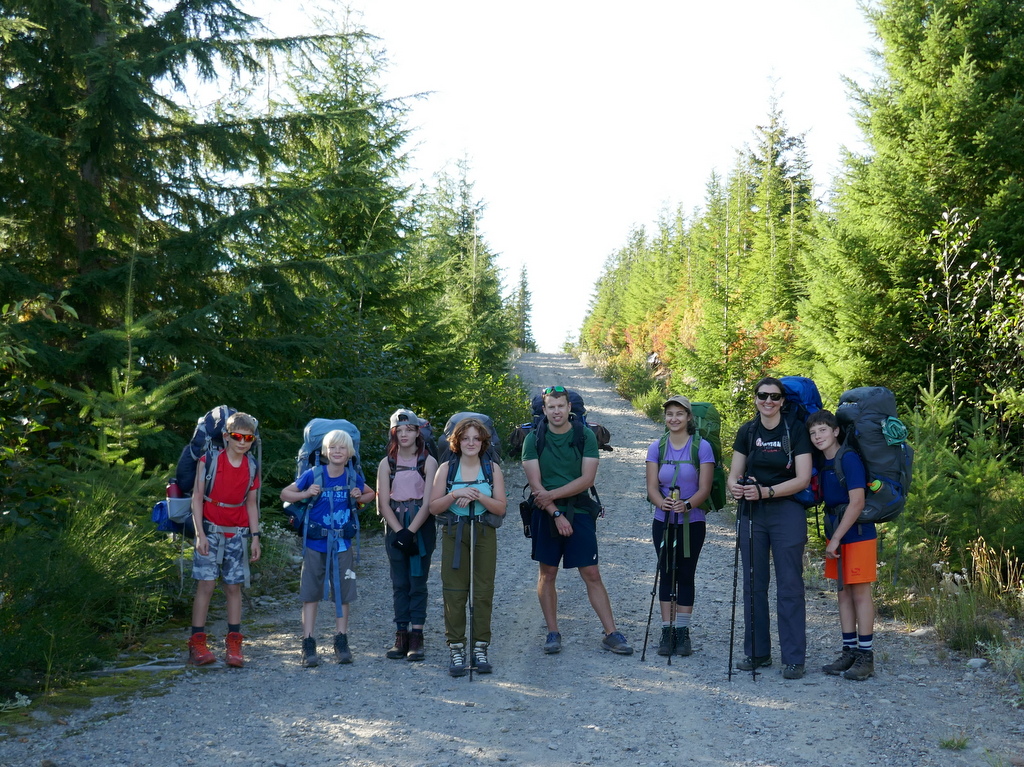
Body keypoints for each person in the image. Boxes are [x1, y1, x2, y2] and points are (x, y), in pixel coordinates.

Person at [522, 385, 633, 656]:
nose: (556, 411)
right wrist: (556, 513)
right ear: (544, 410)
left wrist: (553, 499)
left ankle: (611, 633)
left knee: (591, 572)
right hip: (545, 513)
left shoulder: (584, 435)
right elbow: (535, 484)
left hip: (579, 510)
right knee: (547, 573)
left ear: (570, 408)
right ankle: (552, 632)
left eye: (561, 406)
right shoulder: (533, 439)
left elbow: (587, 480)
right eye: (551, 407)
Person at [727, 377, 812, 679]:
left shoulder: (796, 430)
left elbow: (802, 478)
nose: (768, 401)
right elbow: (734, 474)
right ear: (755, 399)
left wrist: (768, 492)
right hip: (752, 511)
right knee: (753, 583)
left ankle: (793, 658)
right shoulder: (748, 431)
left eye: (775, 397)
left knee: (789, 585)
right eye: (763, 395)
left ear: (783, 401)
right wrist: (737, 488)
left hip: (787, 510)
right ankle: (757, 653)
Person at [280, 429, 375, 667]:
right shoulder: (314, 474)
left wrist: (360, 497)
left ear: (350, 452)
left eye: (342, 448)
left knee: (343, 593)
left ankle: (341, 640)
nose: (337, 452)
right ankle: (308, 642)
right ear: (325, 451)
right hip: (314, 543)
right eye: (333, 448)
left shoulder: (353, 477)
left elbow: (371, 494)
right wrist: (305, 493)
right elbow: (285, 494)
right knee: (310, 593)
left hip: (343, 544)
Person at [429, 417, 506, 677]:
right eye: (465, 438)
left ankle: (480, 647)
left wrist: (479, 496)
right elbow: (433, 507)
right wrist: (454, 494)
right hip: (454, 532)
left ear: (484, 441)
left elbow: (501, 508)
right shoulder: (446, 469)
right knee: (454, 591)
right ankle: (457, 648)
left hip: (484, 532)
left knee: (483, 591)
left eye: (476, 438)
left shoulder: (492, 468)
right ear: (456, 441)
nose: (470, 443)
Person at [188, 412, 262, 668]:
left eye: (248, 438)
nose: (242, 442)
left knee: (233, 587)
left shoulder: (251, 466)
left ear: (253, 439)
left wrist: (255, 537)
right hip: (209, 529)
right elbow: (197, 498)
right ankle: (197, 643)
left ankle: (234, 644)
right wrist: (200, 534)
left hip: (238, 533)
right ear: (226, 436)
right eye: (237, 437)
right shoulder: (209, 460)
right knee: (206, 586)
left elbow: (251, 503)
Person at [807, 409, 877, 681]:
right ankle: (848, 651)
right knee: (843, 593)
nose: (817, 436)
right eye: (813, 433)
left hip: (857, 532)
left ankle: (866, 656)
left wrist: (836, 538)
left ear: (836, 431)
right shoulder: (823, 462)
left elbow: (857, 501)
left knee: (860, 592)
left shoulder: (848, 458)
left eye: (822, 430)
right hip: (835, 530)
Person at [645, 395, 714, 657]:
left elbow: (704, 488)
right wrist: (661, 502)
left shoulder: (702, 447)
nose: (674, 418)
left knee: (685, 575)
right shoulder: (657, 447)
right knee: (666, 573)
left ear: (688, 418)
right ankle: (667, 632)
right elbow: (652, 486)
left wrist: (686, 505)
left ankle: (682, 634)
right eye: (669, 414)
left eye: (679, 414)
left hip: (692, 522)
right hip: (663, 521)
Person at [376, 408, 438, 662]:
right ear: (393, 434)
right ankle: (401, 633)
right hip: (395, 524)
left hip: (421, 525)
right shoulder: (386, 463)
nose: (404, 435)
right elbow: (383, 502)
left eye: (409, 430)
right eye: (398, 431)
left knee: (418, 581)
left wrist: (411, 532)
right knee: (399, 581)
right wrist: (399, 531)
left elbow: (429, 502)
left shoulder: (428, 461)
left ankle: (417, 636)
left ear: (417, 432)